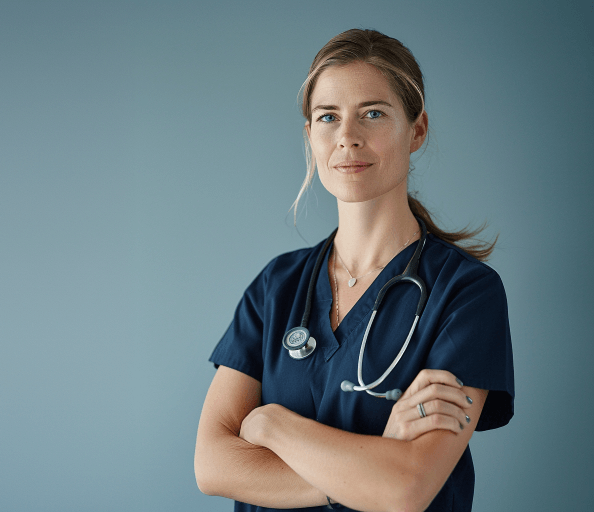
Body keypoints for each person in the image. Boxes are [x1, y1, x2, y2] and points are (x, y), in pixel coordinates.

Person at [193, 29, 514, 512]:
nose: (347, 136)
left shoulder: (466, 293)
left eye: (373, 113)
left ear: (418, 130)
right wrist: (365, 471)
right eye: (328, 117)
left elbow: (404, 490)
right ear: (310, 136)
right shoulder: (277, 287)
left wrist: (269, 425)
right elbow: (213, 465)